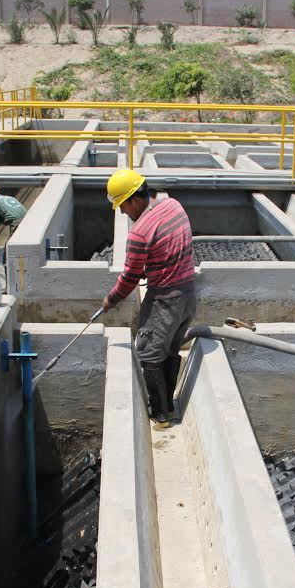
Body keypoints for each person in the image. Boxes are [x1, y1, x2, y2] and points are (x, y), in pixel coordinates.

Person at [101, 169, 196, 428]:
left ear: (134, 199)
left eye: (123, 206)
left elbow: (129, 278)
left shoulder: (140, 232)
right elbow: (171, 246)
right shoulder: (174, 206)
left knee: (150, 355)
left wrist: (111, 300)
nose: (122, 213)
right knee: (171, 349)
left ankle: (161, 414)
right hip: (188, 294)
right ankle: (168, 405)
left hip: (165, 299)